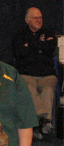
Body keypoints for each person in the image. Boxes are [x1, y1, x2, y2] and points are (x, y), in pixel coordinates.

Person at [12, 7, 57, 137]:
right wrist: (39, 48)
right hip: (26, 74)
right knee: (30, 89)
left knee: (48, 90)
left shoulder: (49, 34)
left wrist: (30, 47)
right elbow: (20, 53)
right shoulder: (19, 35)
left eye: (40, 18)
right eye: (35, 18)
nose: (39, 20)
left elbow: (49, 50)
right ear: (27, 20)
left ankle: (38, 122)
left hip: (47, 75)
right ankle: (43, 121)